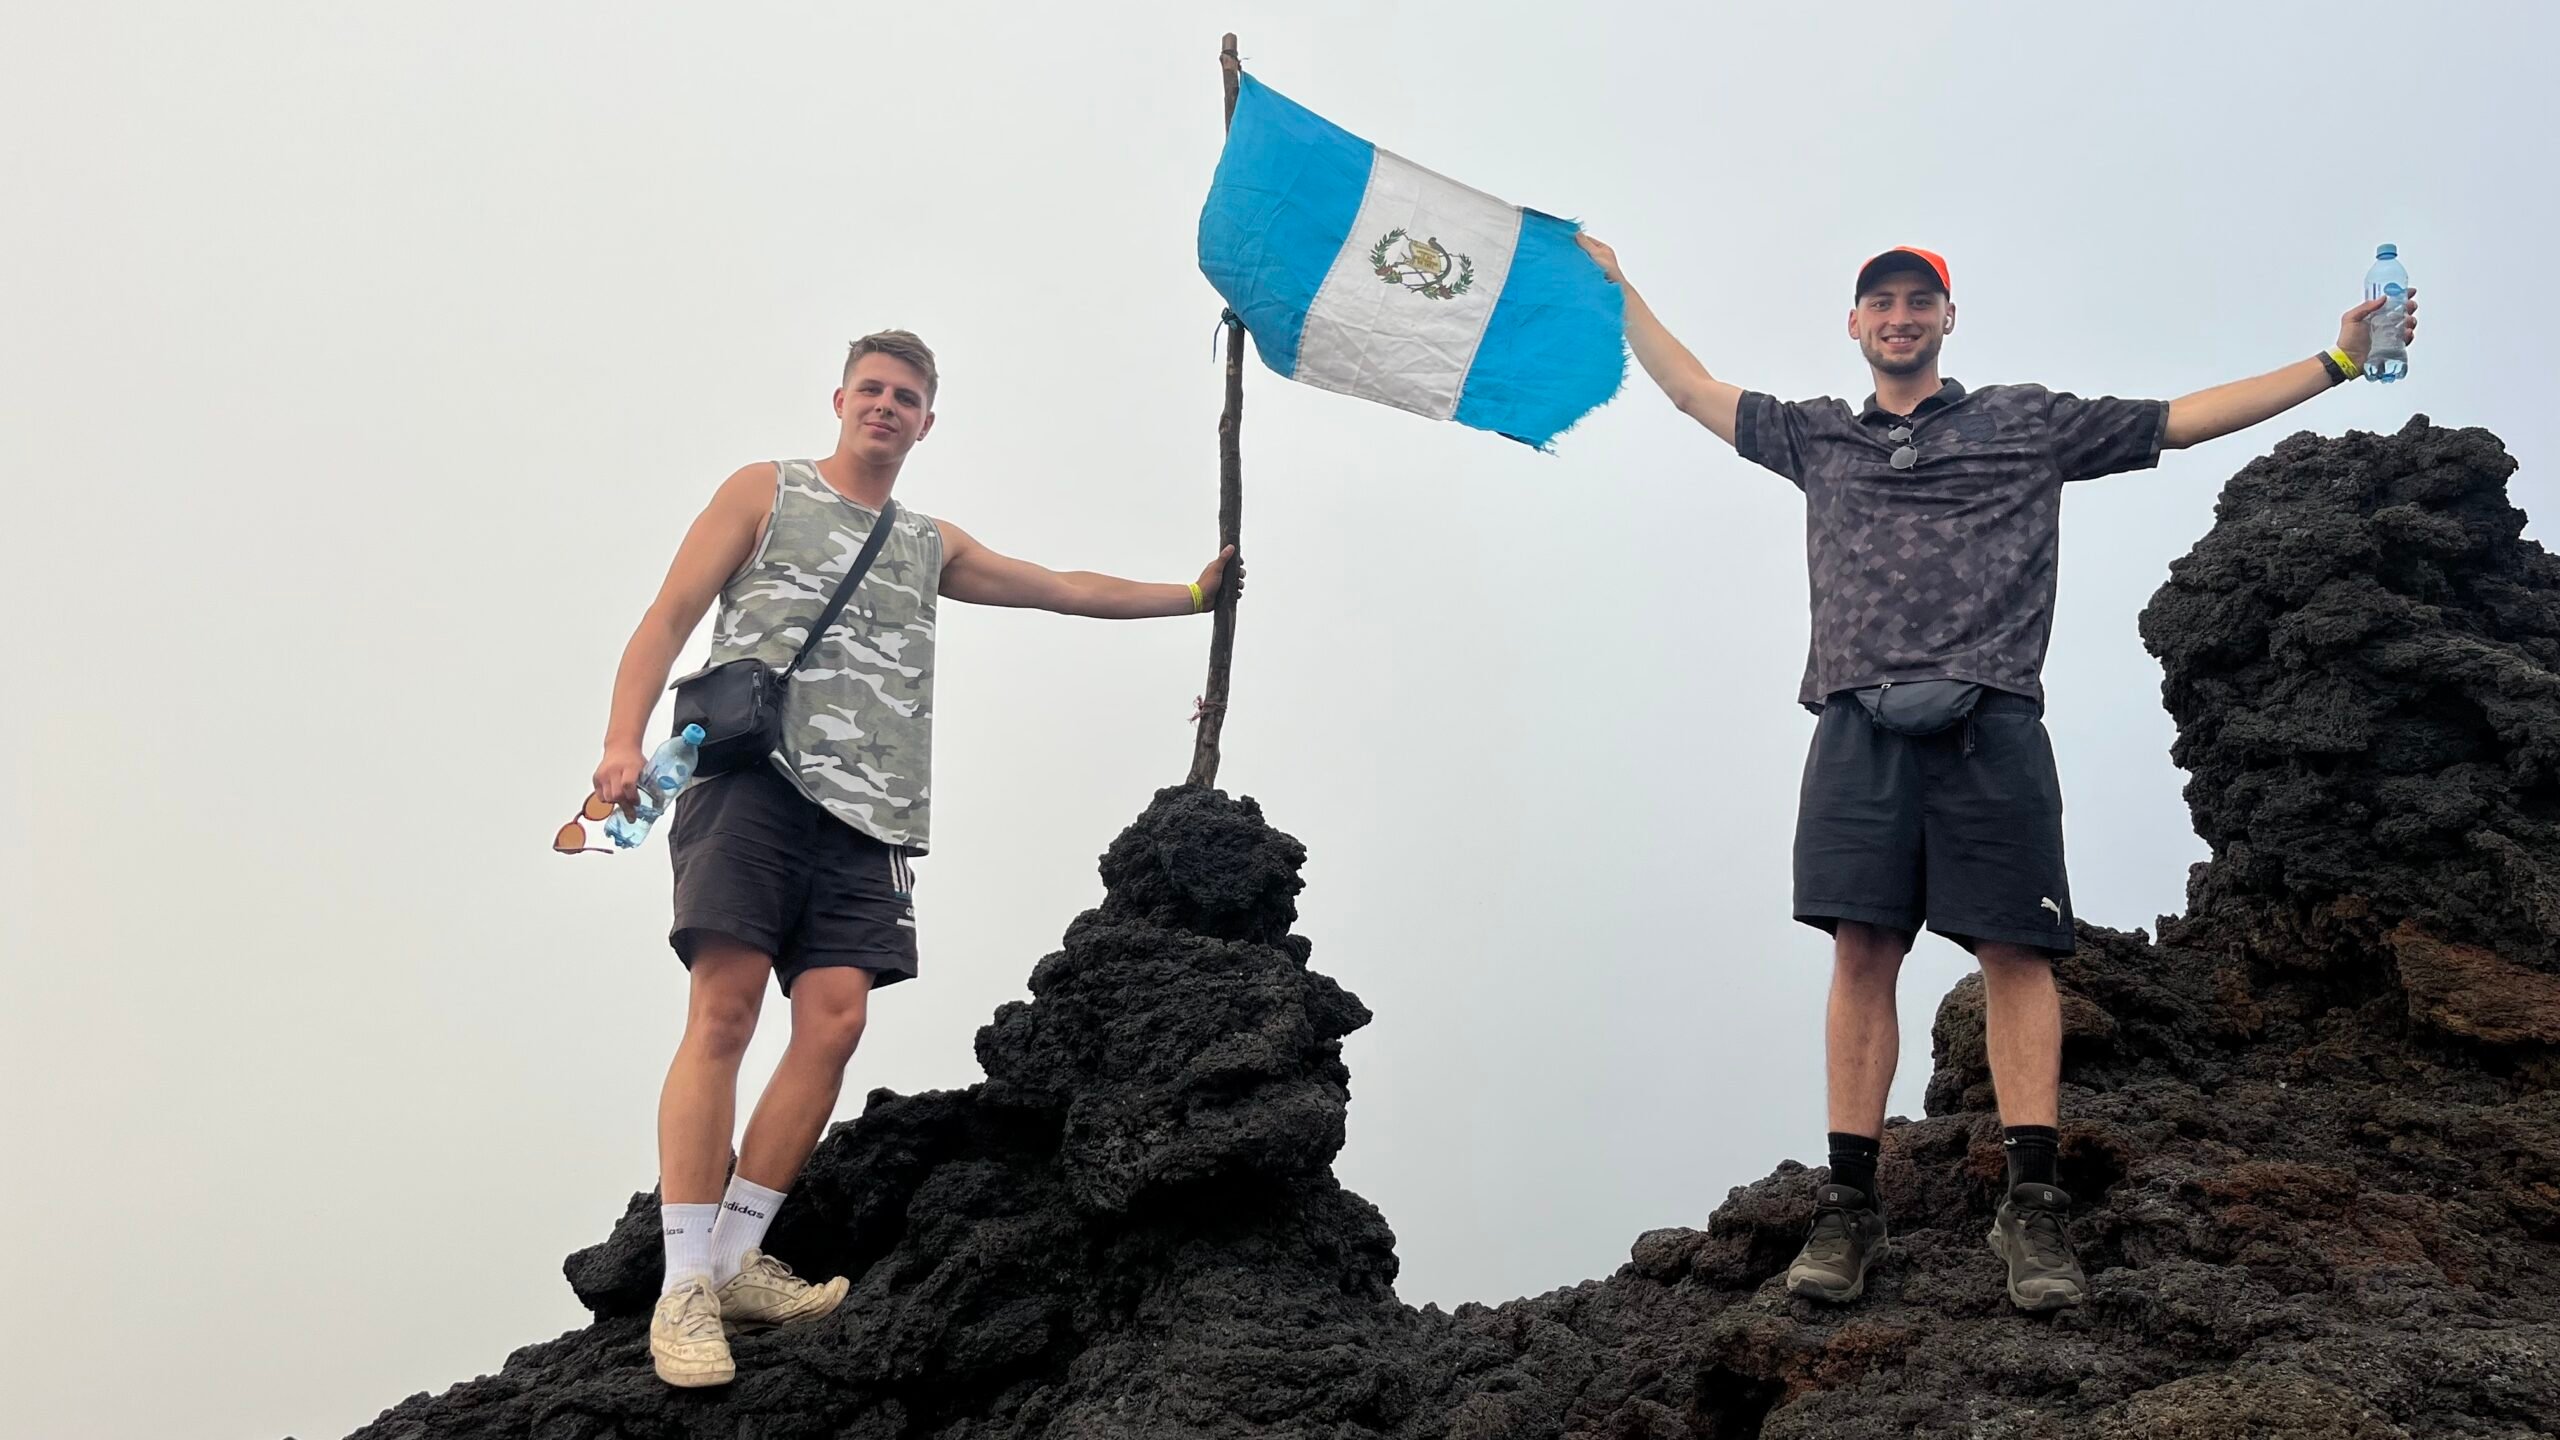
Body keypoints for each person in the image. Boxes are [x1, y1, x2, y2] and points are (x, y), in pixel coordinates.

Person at [1575, 235, 2416, 1312]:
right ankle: (1847, 1208)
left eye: (1917, 300)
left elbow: (2178, 420)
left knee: (2016, 952)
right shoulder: (1817, 437)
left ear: (1946, 319)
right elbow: (1691, 391)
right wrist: (1619, 287)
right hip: (1856, 721)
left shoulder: (2024, 421)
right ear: (1854, 325)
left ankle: (2032, 1207)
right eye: (1879, 301)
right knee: (1862, 949)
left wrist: (2336, 363)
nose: (1898, 315)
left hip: (1993, 721)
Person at [587, 330, 1236, 1385]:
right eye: (873, 390)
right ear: (839, 399)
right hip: (751, 783)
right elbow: (667, 616)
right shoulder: (767, 490)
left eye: (908, 397)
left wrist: (1192, 598)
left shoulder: (926, 541)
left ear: (927, 422)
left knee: (835, 1021)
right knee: (724, 1011)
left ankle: (742, 1258)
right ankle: (683, 1285)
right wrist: (623, 739)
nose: (886, 407)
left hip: (870, 813)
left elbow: (1055, 585)